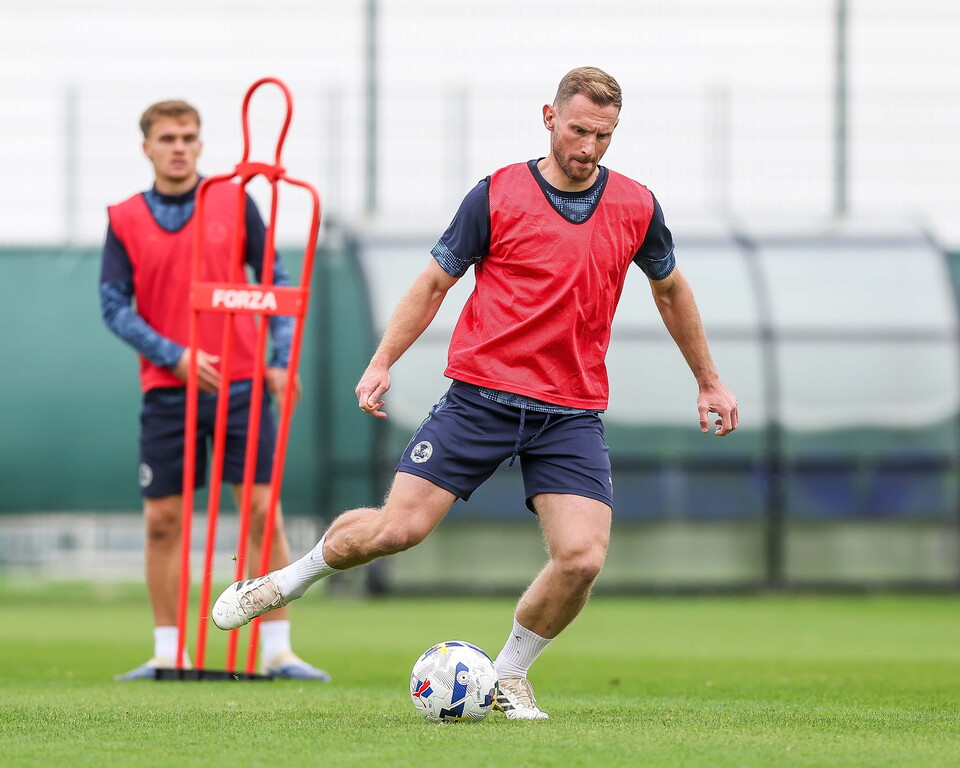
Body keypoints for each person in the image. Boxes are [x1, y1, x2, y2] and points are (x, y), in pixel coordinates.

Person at [212, 67, 738, 716]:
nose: (589, 148)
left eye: (604, 136)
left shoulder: (636, 205)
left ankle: (509, 675)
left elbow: (671, 289)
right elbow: (433, 284)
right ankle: (286, 581)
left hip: (570, 412)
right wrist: (382, 363)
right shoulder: (496, 195)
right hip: (480, 400)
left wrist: (708, 381)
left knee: (581, 559)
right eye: (578, 131)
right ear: (548, 117)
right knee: (396, 531)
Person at [100, 99, 329, 681]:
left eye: (190, 136)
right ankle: (168, 650)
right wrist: (173, 356)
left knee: (260, 512)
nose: (180, 146)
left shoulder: (233, 200)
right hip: (166, 390)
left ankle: (276, 648)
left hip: (244, 382)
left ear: (202, 145)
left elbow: (274, 276)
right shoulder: (124, 217)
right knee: (162, 521)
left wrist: (279, 359)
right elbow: (112, 306)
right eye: (168, 137)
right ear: (147, 146)